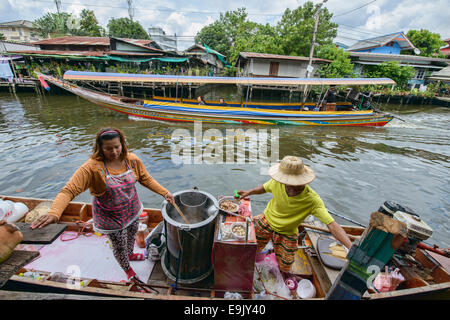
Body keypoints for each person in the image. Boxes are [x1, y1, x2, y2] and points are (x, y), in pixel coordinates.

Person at [31, 128, 174, 290]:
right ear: (100, 148)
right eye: (108, 148)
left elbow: (145, 178)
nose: (114, 152)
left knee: (131, 235)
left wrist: (165, 193)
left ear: (122, 145)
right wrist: (54, 213)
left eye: (117, 147)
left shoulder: (132, 160)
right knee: (119, 244)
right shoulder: (91, 168)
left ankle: (130, 254)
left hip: (132, 210)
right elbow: (69, 190)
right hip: (110, 217)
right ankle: (128, 269)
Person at [237, 156, 352, 282]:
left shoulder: (313, 200)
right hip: (267, 219)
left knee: (286, 262)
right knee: (251, 246)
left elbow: (332, 225)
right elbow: (264, 188)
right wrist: (249, 192)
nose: (292, 188)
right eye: (289, 184)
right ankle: (247, 265)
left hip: (287, 231)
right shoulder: (277, 182)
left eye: (296, 184)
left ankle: (284, 276)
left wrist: (351, 248)